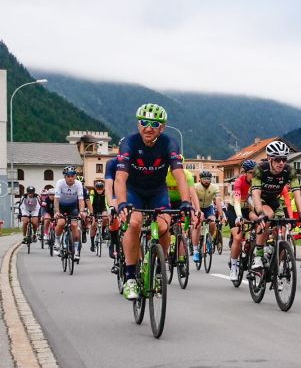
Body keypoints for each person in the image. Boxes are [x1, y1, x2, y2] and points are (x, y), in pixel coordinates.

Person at [115, 103, 191, 300]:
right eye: (144, 122)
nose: (148, 127)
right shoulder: (129, 143)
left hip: (157, 192)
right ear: (138, 124)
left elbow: (180, 175)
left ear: (162, 127)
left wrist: (185, 202)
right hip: (134, 192)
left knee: (164, 227)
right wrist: (122, 203)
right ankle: (131, 277)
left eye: (154, 123)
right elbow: (120, 178)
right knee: (134, 223)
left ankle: (159, 268)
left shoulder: (169, 143)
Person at [250, 140, 301, 270]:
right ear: (269, 158)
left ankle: (273, 254)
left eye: (284, 159)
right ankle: (258, 255)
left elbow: (297, 194)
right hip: (258, 199)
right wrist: (260, 213)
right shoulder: (260, 169)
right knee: (268, 215)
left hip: (273, 200)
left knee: (282, 229)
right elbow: (256, 194)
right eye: (277, 159)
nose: (281, 163)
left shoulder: (289, 170)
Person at [225, 159, 256, 281]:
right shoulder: (239, 182)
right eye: (252, 173)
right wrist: (239, 216)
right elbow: (237, 201)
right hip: (234, 209)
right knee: (238, 238)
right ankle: (233, 267)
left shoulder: (257, 182)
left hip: (248, 209)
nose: (254, 175)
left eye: (256, 173)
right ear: (245, 173)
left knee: (257, 228)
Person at [54, 166, 86, 262]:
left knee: (74, 225)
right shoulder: (60, 183)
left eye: (72, 176)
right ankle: (57, 242)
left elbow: (81, 200)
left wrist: (81, 211)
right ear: (65, 177)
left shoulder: (78, 184)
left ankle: (76, 251)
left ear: (75, 176)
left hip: (73, 207)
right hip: (61, 206)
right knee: (61, 223)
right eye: (68, 176)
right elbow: (56, 199)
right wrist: (57, 212)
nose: (70, 178)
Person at [192, 170, 222, 263]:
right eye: (204, 179)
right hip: (197, 206)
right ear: (200, 179)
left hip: (208, 207)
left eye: (208, 179)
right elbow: (192, 200)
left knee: (213, 222)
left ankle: (209, 239)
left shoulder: (215, 188)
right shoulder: (195, 186)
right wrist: (197, 212)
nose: (206, 181)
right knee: (197, 225)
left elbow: (217, 201)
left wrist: (220, 214)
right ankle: (196, 250)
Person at [88, 181, 109, 252]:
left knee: (105, 217)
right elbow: (90, 202)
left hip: (103, 208)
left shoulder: (105, 193)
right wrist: (90, 213)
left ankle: (103, 232)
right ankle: (92, 244)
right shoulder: (92, 192)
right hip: (94, 209)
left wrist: (108, 212)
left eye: (101, 189)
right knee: (93, 225)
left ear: (103, 188)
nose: (99, 190)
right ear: (95, 188)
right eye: (98, 189)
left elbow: (106, 203)